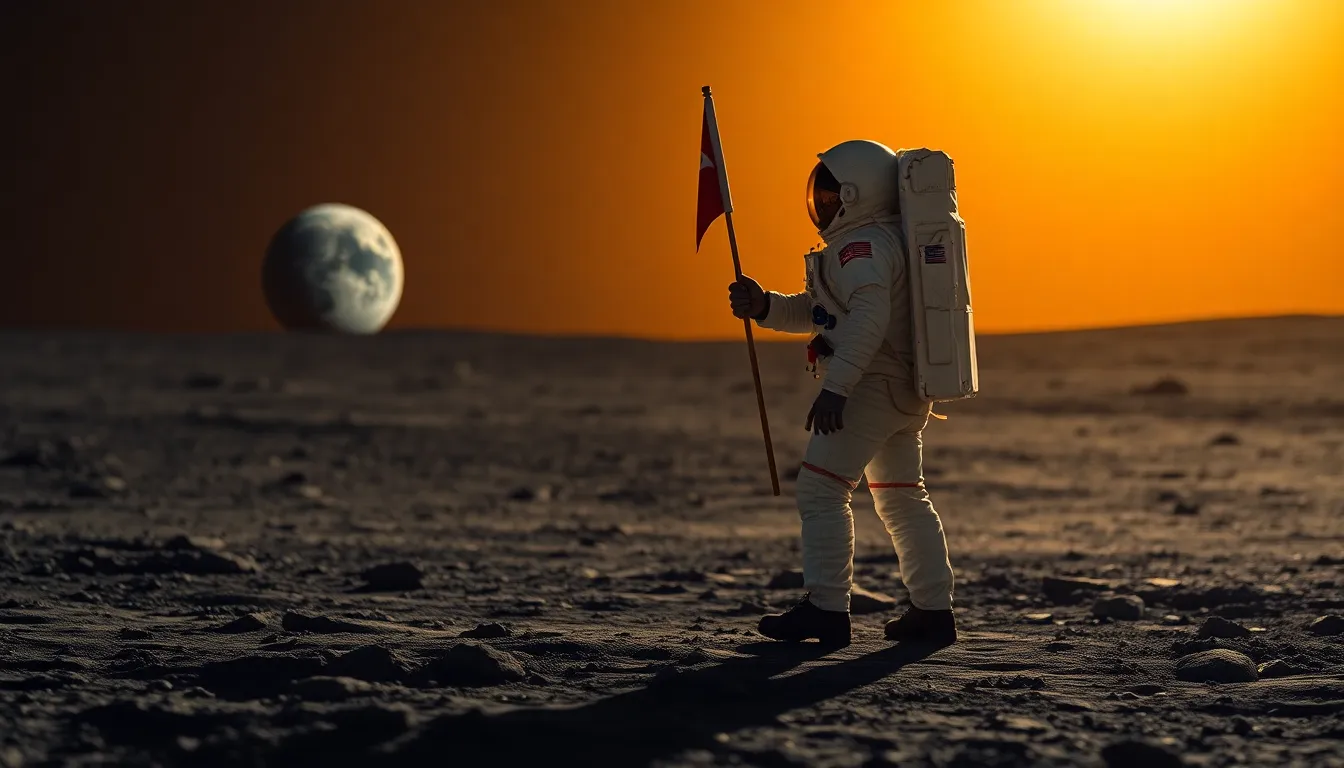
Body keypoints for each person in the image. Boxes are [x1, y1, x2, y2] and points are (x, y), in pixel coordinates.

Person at [727, 139, 956, 648]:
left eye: (831, 194)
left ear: (855, 194)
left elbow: (869, 321)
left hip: (869, 387)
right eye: (820, 194)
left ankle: (827, 610)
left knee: (821, 489)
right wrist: (764, 305)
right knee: (901, 497)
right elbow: (821, 312)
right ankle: (933, 611)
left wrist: (837, 388)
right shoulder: (878, 243)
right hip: (903, 389)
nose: (822, 204)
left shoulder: (862, 249)